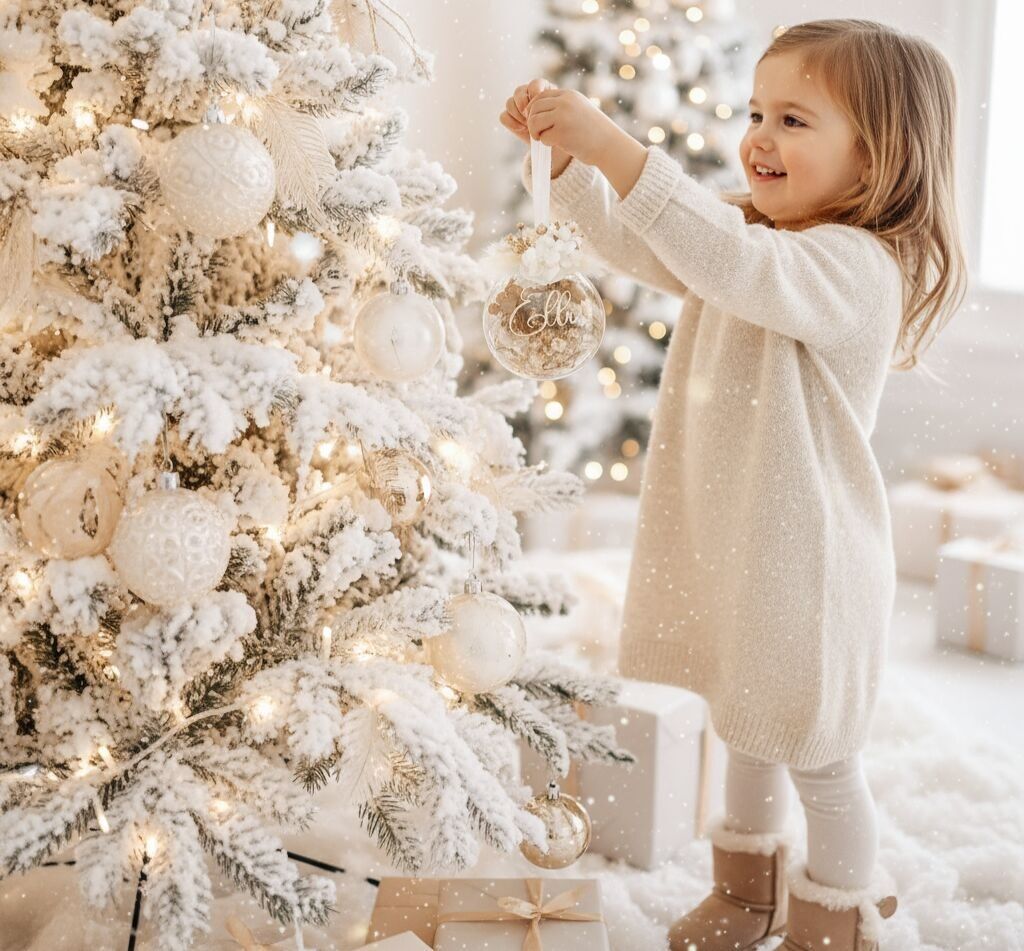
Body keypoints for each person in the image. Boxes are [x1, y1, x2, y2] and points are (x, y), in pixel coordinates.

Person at [500, 18, 965, 951]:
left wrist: (617, 145)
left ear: (874, 165)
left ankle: (835, 917)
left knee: (820, 759)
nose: (759, 135)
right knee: (742, 724)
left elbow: (731, 261)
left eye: (794, 119)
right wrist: (565, 164)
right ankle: (747, 891)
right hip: (741, 540)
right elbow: (649, 246)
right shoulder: (752, 231)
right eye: (758, 111)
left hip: (812, 565)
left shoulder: (855, 267)